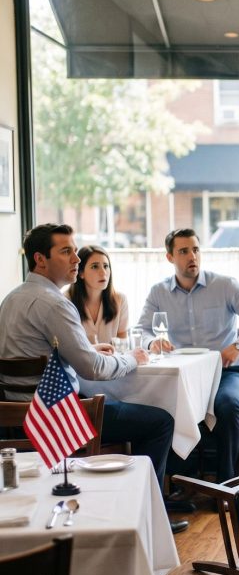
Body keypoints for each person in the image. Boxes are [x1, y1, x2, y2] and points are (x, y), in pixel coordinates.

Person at [0, 223, 185, 533]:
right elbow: (93, 370)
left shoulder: (11, 299)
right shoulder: (56, 303)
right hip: (58, 419)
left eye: (75, 250)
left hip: (14, 417)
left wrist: (86, 347)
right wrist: (131, 358)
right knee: (160, 421)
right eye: (66, 251)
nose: (76, 258)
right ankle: (148, 517)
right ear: (40, 259)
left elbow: (42, 351)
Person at [138, 228, 239, 482]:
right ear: (170, 257)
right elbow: (143, 329)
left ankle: (226, 483)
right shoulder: (159, 292)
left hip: (226, 373)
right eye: (184, 251)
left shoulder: (224, 285)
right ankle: (177, 481)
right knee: (160, 410)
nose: (192, 256)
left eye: (196, 249)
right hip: (183, 378)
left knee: (229, 405)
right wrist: (152, 341)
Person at [66, 244, 129, 347]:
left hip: (111, 361)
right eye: (95, 266)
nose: (103, 272)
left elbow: (122, 342)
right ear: (81, 273)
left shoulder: (120, 300)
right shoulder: (66, 301)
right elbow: (67, 347)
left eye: (106, 266)